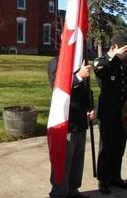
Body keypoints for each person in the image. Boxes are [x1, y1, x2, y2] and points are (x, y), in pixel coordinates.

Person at [48, 56, 94, 198]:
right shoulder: (57, 61)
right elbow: (57, 86)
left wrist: (90, 107)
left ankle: (73, 190)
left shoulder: (80, 61)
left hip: (80, 119)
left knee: (77, 160)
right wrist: (78, 76)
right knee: (63, 162)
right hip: (66, 121)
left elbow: (86, 89)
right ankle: (58, 193)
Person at [93, 34, 127, 194]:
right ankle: (103, 180)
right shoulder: (101, 61)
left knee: (119, 146)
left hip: (122, 114)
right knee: (106, 147)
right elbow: (102, 75)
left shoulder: (124, 63)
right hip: (107, 113)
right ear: (114, 47)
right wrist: (116, 58)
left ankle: (115, 177)